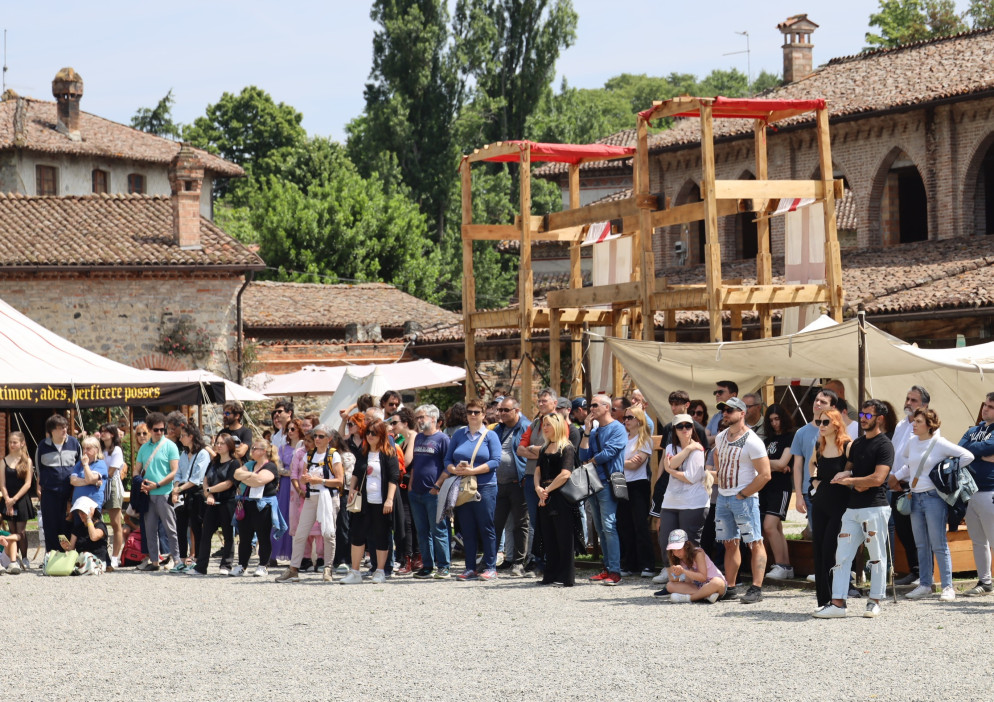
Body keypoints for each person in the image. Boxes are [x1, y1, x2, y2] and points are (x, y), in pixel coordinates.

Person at [814, 399, 895, 619]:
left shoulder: (884, 444)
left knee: (876, 556)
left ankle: (875, 600)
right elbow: (849, 470)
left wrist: (851, 481)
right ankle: (838, 602)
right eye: (861, 415)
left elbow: (878, 478)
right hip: (852, 508)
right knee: (842, 555)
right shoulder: (857, 444)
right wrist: (846, 475)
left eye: (868, 416)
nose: (863, 419)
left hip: (874, 508)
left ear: (879, 418)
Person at [891, 408, 973, 601]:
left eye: (918, 421)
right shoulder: (912, 442)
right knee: (921, 543)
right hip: (915, 497)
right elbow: (910, 465)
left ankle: (947, 586)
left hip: (933, 498)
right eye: (914, 421)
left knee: (939, 543)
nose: (914, 424)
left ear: (929, 425)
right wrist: (895, 477)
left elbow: (967, 456)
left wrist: (948, 471)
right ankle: (925, 584)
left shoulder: (939, 443)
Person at [713, 396, 771, 604]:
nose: (725, 413)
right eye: (724, 410)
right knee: (729, 542)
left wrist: (743, 494)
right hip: (724, 497)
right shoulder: (721, 437)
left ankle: (756, 587)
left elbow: (765, 474)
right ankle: (731, 586)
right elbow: (720, 460)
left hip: (743, 499)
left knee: (754, 541)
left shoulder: (752, 440)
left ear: (742, 413)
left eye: (730, 410)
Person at [277, 426, 344, 582]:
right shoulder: (309, 455)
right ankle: (293, 568)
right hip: (311, 497)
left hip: (328, 498)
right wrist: (305, 480)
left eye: (321, 436)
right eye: (315, 436)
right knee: (301, 533)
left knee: (328, 533)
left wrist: (320, 481)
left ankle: (328, 568)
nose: (317, 439)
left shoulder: (334, 456)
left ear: (329, 439)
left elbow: (340, 481)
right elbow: (302, 478)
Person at [445, 398, 502, 581]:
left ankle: (491, 566)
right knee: (467, 529)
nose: (473, 415)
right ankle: (470, 567)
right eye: (470, 412)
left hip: (485, 486)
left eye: (477, 412)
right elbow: (447, 460)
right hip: (462, 486)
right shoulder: (459, 435)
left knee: (486, 527)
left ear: (483, 415)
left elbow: (495, 461)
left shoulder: (490, 436)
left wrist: (473, 471)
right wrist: (454, 470)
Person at [654, 413, 710, 584]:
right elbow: (671, 463)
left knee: (689, 545)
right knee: (667, 542)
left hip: (693, 503)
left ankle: (695, 581)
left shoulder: (699, 448)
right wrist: (686, 450)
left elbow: (691, 477)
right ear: (674, 430)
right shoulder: (671, 447)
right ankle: (674, 581)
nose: (685, 429)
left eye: (688, 426)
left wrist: (671, 471)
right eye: (680, 426)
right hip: (671, 501)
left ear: (693, 428)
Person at [341, 420, 399, 585]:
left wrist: (389, 499)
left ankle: (380, 571)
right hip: (363, 501)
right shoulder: (363, 452)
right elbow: (356, 473)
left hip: (381, 501)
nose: (370, 436)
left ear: (381, 434)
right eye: (368, 433)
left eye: (374, 433)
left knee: (381, 535)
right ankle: (355, 572)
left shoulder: (389, 453)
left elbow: (394, 478)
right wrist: (352, 489)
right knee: (357, 535)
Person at [579, 393, 627, 586]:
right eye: (591, 405)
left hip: (607, 483)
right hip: (593, 484)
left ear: (607, 407)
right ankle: (607, 568)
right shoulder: (595, 431)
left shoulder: (618, 428)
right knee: (599, 528)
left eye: (595, 405)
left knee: (608, 526)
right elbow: (582, 453)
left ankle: (615, 571)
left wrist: (591, 460)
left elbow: (609, 453)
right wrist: (587, 431)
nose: (591, 409)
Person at [808, 409, 852, 610]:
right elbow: (811, 465)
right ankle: (824, 599)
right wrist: (814, 482)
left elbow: (858, 467)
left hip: (840, 504)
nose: (821, 425)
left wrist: (847, 473)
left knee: (831, 550)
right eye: (819, 422)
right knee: (818, 549)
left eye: (826, 422)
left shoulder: (847, 445)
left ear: (836, 423)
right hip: (820, 503)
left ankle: (837, 597)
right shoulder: (819, 445)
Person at [890, 385, 929, 586]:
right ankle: (915, 570)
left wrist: (896, 477)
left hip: (914, 486)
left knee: (919, 531)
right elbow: (895, 452)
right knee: (904, 531)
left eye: (913, 400)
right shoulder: (900, 425)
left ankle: (925, 574)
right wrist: (891, 476)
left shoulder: (926, 427)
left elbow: (915, 459)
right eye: (907, 398)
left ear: (924, 405)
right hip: (896, 485)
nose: (908, 403)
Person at [534, 412, 578, 587]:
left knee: (564, 536)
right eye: (544, 425)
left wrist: (547, 490)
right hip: (545, 495)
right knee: (548, 535)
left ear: (557, 426)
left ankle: (567, 576)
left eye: (548, 424)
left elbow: (565, 473)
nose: (545, 428)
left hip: (561, 496)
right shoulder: (544, 448)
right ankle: (550, 574)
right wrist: (538, 489)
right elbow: (537, 472)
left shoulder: (566, 448)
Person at [408, 405, 451, 579]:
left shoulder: (443, 439)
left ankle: (444, 566)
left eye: (422, 417)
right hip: (416, 492)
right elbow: (415, 465)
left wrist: (438, 486)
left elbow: (448, 467)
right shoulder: (418, 438)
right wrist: (410, 485)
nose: (419, 420)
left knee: (438, 530)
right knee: (422, 531)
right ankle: (427, 565)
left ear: (433, 418)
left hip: (434, 493)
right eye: (417, 417)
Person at [134, 413, 181, 572]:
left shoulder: (170, 446)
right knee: (149, 529)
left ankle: (176, 559)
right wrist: (140, 483)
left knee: (170, 528)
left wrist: (158, 484)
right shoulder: (144, 448)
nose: (160, 432)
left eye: (162, 429)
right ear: (149, 429)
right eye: (156, 429)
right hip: (147, 494)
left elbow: (175, 471)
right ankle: (154, 561)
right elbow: (136, 470)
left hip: (164, 492)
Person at [959, 391, 994, 596]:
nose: (985, 409)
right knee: (979, 540)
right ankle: (985, 582)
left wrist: (974, 454)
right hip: (971, 492)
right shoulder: (974, 429)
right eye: (985, 405)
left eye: (990, 406)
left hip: (990, 491)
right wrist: (982, 455)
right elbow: (960, 447)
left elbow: (988, 445)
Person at [190, 435, 240, 576]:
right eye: (217, 443)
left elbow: (229, 483)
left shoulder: (234, 463)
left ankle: (226, 565)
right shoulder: (214, 462)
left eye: (222, 443)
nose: (219, 446)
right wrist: (209, 494)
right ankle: (201, 567)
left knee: (228, 535)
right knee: (206, 534)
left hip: (227, 502)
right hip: (212, 503)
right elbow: (206, 480)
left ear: (229, 446)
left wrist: (210, 490)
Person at [493, 396, 531, 577]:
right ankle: (490, 561)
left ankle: (518, 563)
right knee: (496, 523)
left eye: (505, 410)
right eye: (500, 410)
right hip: (499, 484)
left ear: (516, 410)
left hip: (518, 484)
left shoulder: (526, 427)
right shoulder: (498, 429)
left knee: (520, 524)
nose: (501, 413)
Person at [233, 441, 281, 577]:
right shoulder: (250, 464)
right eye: (252, 448)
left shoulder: (270, 466)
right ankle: (242, 565)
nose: (252, 450)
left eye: (255, 448)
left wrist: (247, 478)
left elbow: (260, 481)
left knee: (263, 535)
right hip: (246, 503)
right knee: (244, 537)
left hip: (263, 505)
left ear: (264, 451)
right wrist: (252, 477)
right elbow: (236, 474)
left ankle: (263, 565)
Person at [35, 414, 81, 554]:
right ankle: (51, 555)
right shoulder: (42, 446)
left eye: (65, 427)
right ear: (52, 431)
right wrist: (40, 488)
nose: (65, 430)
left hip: (70, 491)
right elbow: (39, 470)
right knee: (50, 525)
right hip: (49, 491)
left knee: (68, 523)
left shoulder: (74, 444)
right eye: (61, 428)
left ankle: (68, 555)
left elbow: (80, 466)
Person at [618, 406, 655, 578]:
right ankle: (629, 563)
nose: (626, 420)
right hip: (622, 483)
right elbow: (628, 462)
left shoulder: (644, 439)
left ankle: (647, 564)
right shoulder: (622, 438)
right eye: (625, 417)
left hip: (638, 484)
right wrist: (624, 461)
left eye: (630, 417)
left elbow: (635, 464)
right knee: (625, 525)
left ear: (639, 420)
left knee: (640, 524)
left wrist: (618, 461)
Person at [760, 405, 795, 580]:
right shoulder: (767, 441)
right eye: (771, 420)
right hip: (766, 486)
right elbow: (759, 464)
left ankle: (782, 564)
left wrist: (770, 464)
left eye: (777, 419)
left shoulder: (791, 437)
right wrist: (775, 465)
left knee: (769, 526)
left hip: (781, 487)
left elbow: (783, 464)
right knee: (775, 528)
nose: (774, 423)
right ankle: (785, 565)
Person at [173, 424, 210, 571]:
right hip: (183, 491)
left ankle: (196, 559)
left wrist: (178, 489)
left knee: (196, 526)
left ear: (191, 437)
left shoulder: (202, 454)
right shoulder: (184, 453)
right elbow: (178, 474)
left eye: (183, 435)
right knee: (180, 527)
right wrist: (176, 489)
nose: (180, 438)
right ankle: (181, 560)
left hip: (196, 493)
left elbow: (196, 478)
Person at [657, 529, 726, 603]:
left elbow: (703, 578)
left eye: (679, 549)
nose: (676, 553)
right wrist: (676, 575)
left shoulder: (698, 553)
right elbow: (677, 581)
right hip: (698, 587)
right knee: (669, 585)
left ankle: (689, 598)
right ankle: (706, 595)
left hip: (713, 584)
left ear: (687, 545)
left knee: (717, 582)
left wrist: (683, 571)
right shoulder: (676, 558)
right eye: (673, 550)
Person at [1, 432, 34, 570]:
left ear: (22, 443)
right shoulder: (3, 461)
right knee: (11, 528)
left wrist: (14, 499)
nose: (12, 445)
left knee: (21, 531)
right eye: (10, 442)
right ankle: (14, 557)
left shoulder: (27, 460)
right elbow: (2, 483)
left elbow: (28, 483)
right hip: (8, 499)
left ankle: (25, 557)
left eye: (15, 442)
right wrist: (8, 499)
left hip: (21, 499)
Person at [97, 424, 125, 569]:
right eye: (101, 431)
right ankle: (101, 554)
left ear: (112, 434)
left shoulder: (117, 450)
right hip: (100, 484)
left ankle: (115, 557)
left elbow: (110, 471)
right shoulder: (101, 449)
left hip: (111, 484)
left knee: (115, 523)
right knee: (97, 520)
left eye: (106, 432)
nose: (103, 434)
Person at [270, 401, 295, 564]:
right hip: (280, 480)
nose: (277, 414)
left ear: (289, 413)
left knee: (292, 516)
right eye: (275, 412)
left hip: (293, 481)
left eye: (280, 411)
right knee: (279, 516)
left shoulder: (292, 434)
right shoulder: (276, 435)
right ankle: (275, 552)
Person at [60, 503, 109, 572]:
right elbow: (71, 548)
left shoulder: (100, 526)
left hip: (97, 562)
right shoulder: (78, 528)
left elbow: (93, 537)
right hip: (81, 561)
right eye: (79, 513)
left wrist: (89, 519)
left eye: (83, 513)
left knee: (86, 555)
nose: (81, 515)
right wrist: (66, 547)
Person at [70, 437, 108, 521]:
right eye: (84, 448)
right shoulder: (79, 464)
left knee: (91, 530)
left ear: (96, 450)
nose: (85, 451)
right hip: (78, 504)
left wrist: (86, 465)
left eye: (88, 448)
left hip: (92, 505)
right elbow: (72, 481)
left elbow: (90, 479)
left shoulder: (100, 464)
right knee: (78, 531)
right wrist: (90, 482)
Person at [708, 381, 738, 446]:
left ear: (733, 395)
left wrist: (713, 439)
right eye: (716, 392)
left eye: (720, 392)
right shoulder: (715, 416)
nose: (717, 395)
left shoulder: (739, 415)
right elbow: (705, 440)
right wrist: (719, 436)